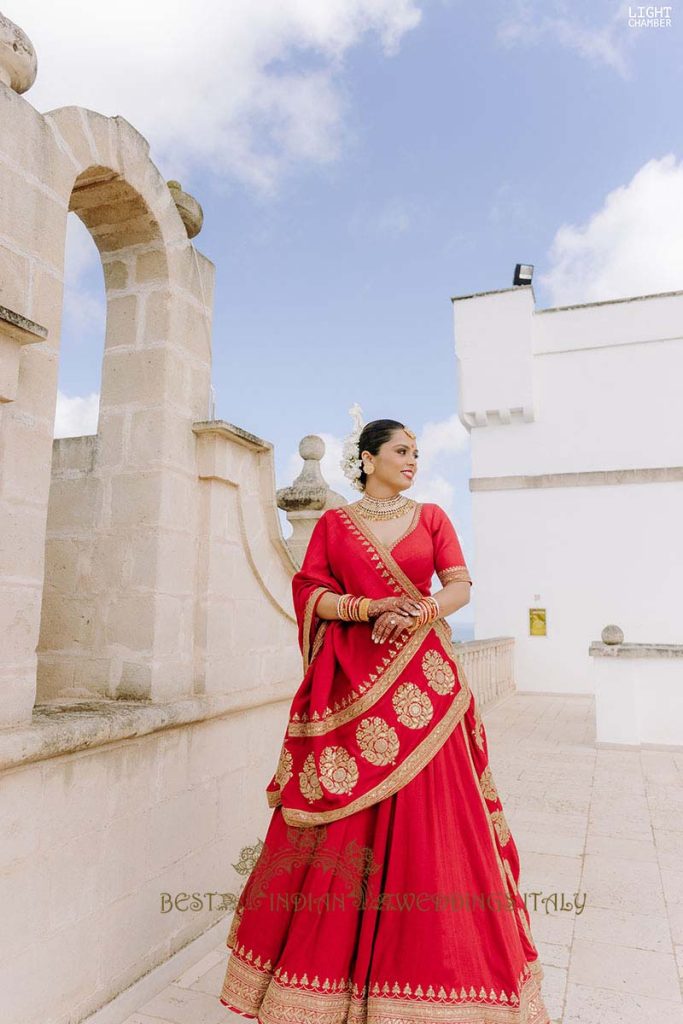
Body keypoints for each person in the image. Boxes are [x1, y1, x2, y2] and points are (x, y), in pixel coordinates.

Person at [219, 410, 550, 1024]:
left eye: (416, 452)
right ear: (367, 459)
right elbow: (308, 592)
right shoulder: (335, 525)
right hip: (351, 690)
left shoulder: (432, 517)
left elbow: (458, 587)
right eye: (401, 450)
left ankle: (438, 973)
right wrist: (369, 608)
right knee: (347, 834)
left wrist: (419, 614)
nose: (412, 460)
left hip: (424, 691)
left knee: (436, 828)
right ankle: (327, 985)